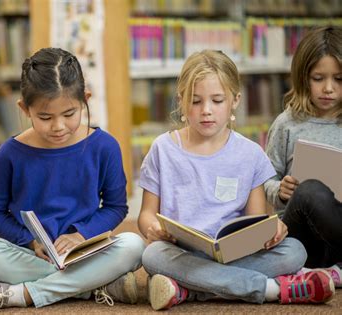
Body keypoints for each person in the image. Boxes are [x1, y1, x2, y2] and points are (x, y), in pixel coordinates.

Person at [138, 50, 335, 311]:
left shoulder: (250, 153)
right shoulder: (163, 148)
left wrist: (271, 232)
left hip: (232, 257)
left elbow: (255, 221)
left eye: (217, 100)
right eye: (195, 101)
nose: (206, 111)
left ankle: (190, 288)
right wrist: (153, 229)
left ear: (235, 101)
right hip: (180, 253)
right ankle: (270, 289)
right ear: (181, 101)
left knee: (295, 250)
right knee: (151, 254)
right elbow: (146, 216)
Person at [0, 48, 145, 312]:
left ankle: (25, 294)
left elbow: (116, 207)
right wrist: (30, 241)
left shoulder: (105, 147)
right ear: (24, 108)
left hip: (86, 252)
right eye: (45, 117)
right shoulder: (9, 154)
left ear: (85, 100)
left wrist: (81, 236)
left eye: (69, 114)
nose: (58, 126)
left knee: (134, 246)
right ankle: (93, 285)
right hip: (34, 255)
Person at [264, 26, 341, 281]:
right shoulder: (287, 124)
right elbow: (264, 180)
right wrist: (279, 190)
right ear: (303, 77)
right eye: (318, 78)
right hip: (301, 237)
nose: (328, 88)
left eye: (339, 79)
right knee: (309, 191)